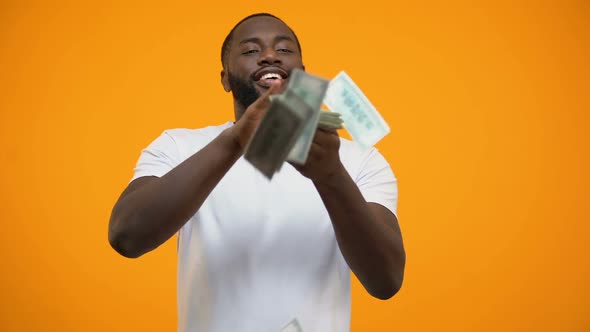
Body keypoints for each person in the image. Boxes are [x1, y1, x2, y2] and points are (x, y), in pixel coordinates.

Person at [108, 13, 405, 332]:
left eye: (284, 49)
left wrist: (330, 175)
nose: (269, 55)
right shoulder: (179, 146)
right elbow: (127, 236)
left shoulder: (359, 160)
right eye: (250, 51)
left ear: (302, 73)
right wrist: (235, 140)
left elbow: (385, 281)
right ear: (224, 79)